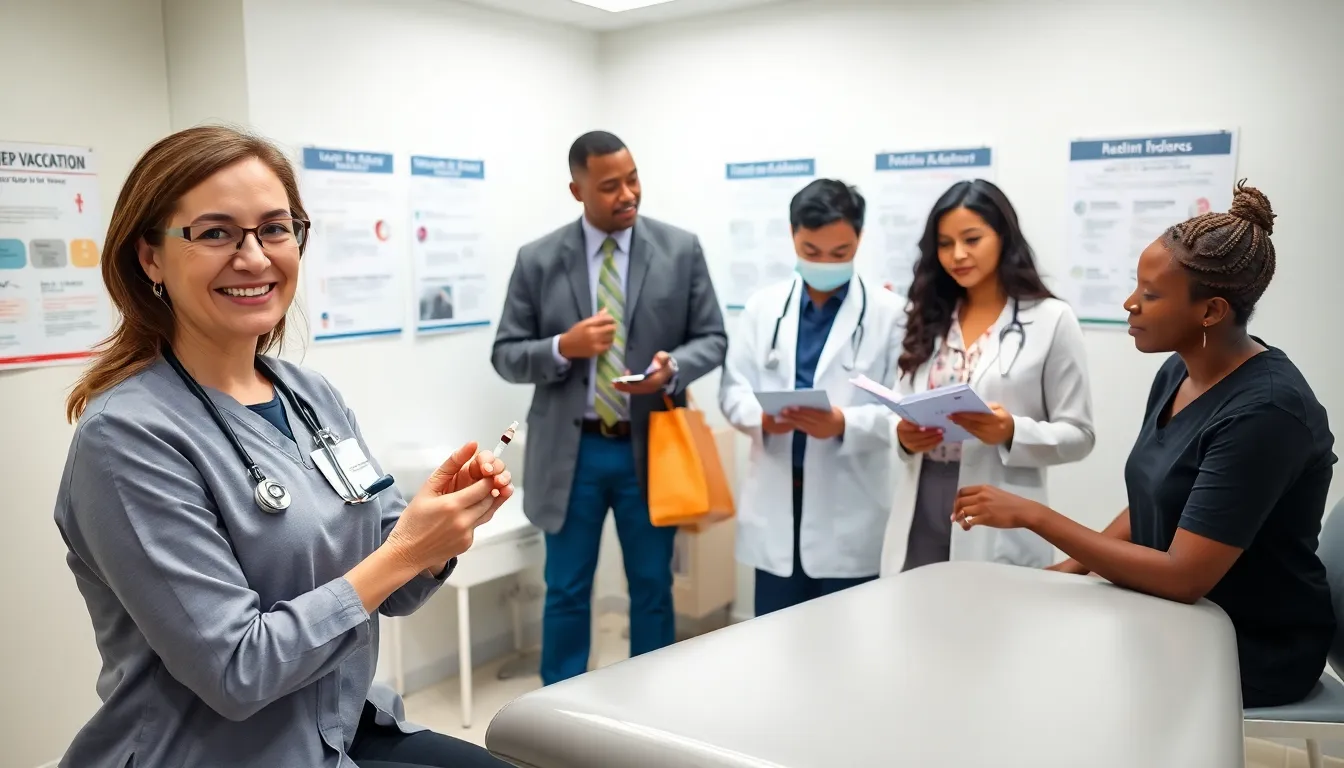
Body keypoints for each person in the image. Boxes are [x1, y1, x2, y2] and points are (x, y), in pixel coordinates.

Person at [54, 126, 513, 768]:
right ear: (150, 258)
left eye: (275, 228)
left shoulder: (309, 395)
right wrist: (409, 548)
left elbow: (397, 580)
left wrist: (438, 533)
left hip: (336, 726)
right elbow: (238, 670)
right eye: (215, 233)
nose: (254, 257)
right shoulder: (128, 439)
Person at [950, 182, 1336, 709]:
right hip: (1176, 615)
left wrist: (1036, 517)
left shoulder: (1266, 413)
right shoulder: (1180, 369)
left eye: (1151, 295)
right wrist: (1066, 574)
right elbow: (1160, 497)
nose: (1130, 304)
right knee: (1021, 637)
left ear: (1211, 311)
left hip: (1247, 644)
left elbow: (1183, 576)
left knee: (1041, 676)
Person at [492, 131, 726, 685]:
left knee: (652, 586)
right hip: (570, 453)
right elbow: (505, 354)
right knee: (567, 588)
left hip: (652, 449)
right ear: (577, 190)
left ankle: (653, 704)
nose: (628, 194)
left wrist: (675, 368)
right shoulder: (538, 259)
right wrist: (561, 347)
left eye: (633, 178)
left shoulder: (680, 249)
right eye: (609, 186)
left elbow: (712, 337)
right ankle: (560, 712)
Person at [880, 179, 1094, 575]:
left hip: (998, 504)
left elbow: (1080, 435)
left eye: (972, 239)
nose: (957, 254)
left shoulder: (1050, 320)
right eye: (944, 244)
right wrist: (903, 436)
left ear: (1003, 237)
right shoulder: (926, 315)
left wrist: (1011, 431)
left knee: (991, 627)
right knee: (913, 625)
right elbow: (899, 402)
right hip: (921, 500)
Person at [718, 179, 904, 615]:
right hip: (778, 499)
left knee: (848, 646)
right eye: (811, 251)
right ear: (792, 235)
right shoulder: (763, 307)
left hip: (850, 506)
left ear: (858, 238)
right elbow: (732, 390)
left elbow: (903, 413)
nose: (824, 262)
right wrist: (761, 418)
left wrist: (844, 423)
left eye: (839, 253)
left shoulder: (891, 315)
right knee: (775, 643)